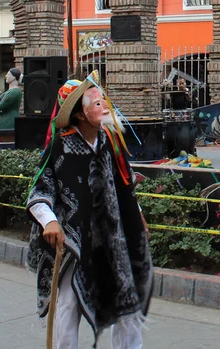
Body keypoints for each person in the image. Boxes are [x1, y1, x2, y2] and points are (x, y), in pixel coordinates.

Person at [26, 71, 153, 349]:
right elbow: (39, 190)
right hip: (75, 241)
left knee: (126, 304)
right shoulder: (60, 147)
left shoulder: (110, 143)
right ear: (80, 115)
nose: (105, 107)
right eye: (97, 104)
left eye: (104, 102)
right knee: (70, 305)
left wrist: (137, 215)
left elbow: (123, 185)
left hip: (112, 237)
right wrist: (50, 221)